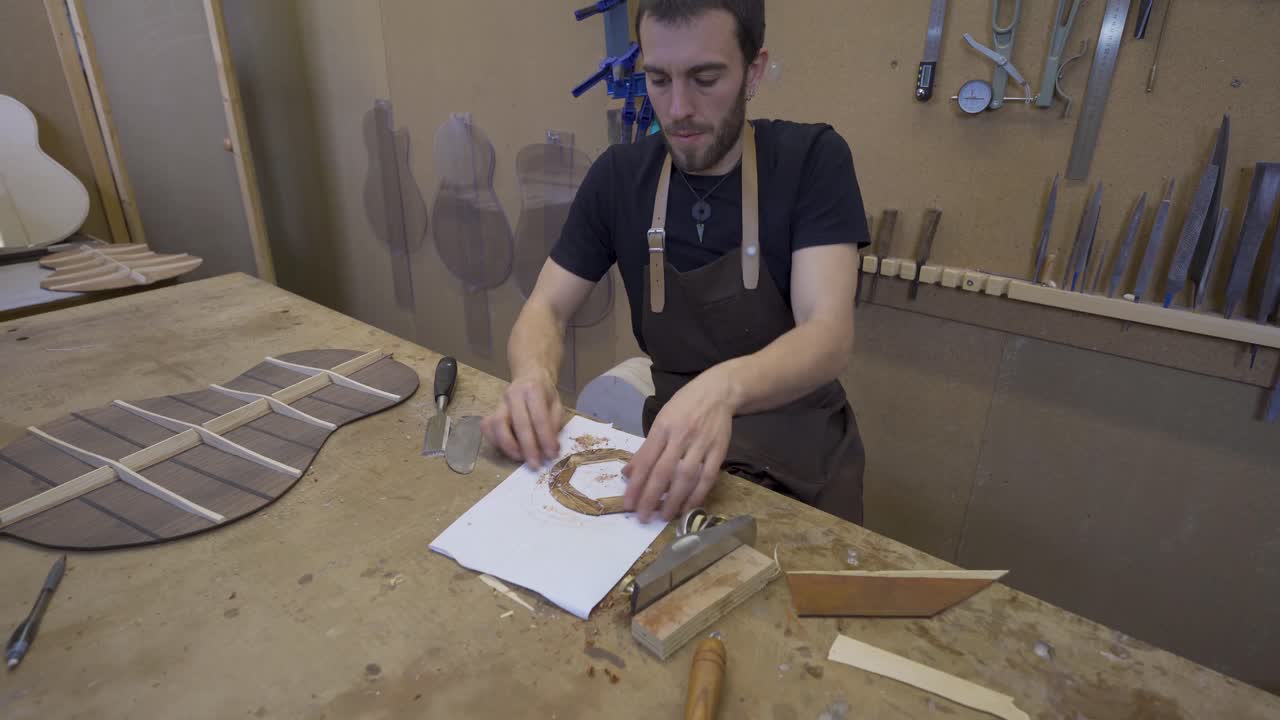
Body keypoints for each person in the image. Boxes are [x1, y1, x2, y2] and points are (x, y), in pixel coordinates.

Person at [481, 0, 869, 525]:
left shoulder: (811, 160)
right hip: (676, 465)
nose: (678, 107)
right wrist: (533, 376)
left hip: (803, 467)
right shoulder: (619, 178)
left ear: (753, 71)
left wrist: (720, 389)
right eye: (659, 79)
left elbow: (828, 334)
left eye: (705, 79)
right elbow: (546, 307)